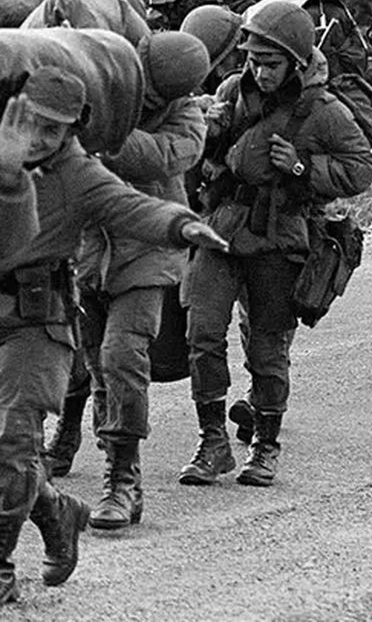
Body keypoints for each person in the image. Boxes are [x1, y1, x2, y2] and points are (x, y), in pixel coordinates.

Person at [0, 67, 227, 602]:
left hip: (36, 322)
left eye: (54, 130)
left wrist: (182, 225)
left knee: (11, 442)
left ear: (74, 131)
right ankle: (56, 510)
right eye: (32, 123)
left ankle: (2, 565)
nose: (39, 138)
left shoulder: (78, 174)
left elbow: (133, 207)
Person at [180, 1, 372, 487]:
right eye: (252, 60)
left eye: (271, 63)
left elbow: (361, 170)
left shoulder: (322, 110)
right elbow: (193, 153)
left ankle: (265, 445)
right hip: (220, 228)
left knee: (267, 348)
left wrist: (301, 168)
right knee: (202, 332)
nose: (259, 72)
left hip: (278, 237)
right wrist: (210, 132)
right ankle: (212, 442)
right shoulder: (231, 91)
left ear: (296, 62)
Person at [75, 33, 211, 531]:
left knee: (122, 357)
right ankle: (109, 462)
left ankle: (122, 479)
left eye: (155, 96)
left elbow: (156, 157)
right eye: (141, 87)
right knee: (95, 367)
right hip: (88, 251)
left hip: (149, 254)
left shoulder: (188, 119)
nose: (145, 99)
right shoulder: (104, 85)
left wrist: (100, 124)